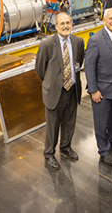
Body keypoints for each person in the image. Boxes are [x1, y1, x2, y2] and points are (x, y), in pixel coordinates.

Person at [35, 12, 85, 170]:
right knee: (52, 125)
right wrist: (52, 82)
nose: (65, 26)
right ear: (56, 26)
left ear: (72, 24)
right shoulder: (47, 44)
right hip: (55, 92)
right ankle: (49, 153)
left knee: (70, 122)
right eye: (62, 23)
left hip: (72, 89)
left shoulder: (78, 42)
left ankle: (66, 147)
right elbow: (40, 68)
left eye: (68, 22)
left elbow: (78, 63)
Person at [85, 8, 112, 166]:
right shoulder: (95, 40)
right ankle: (103, 150)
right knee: (102, 123)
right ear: (104, 20)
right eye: (111, 18)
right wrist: (93, 90)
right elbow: (89, 66)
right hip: (101, 91)